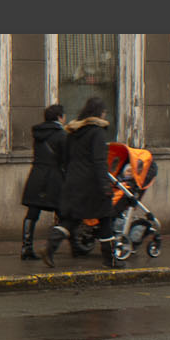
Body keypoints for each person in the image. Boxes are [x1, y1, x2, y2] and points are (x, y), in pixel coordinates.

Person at [44, 97, 116, 267]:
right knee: (105, 218)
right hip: (92, 183)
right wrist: (105, 185)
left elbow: (65, 157)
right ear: (100, 112)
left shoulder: (74, 132)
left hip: (74, 180)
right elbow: (99, 161)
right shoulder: (97, 132)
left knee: (72, 219)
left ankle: (50, 248)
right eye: (104, 111)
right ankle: (110, 260)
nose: (105, 114)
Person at [19, 103, 67, 259]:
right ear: (60, 117)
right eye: (63, 116)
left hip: (37, 175)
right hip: (53, 178)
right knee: (64, 212)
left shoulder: (38, 134)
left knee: (32, 212)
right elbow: (65, 158)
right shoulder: (61, 135)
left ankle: (26, 248)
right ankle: (58, 247)